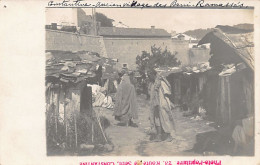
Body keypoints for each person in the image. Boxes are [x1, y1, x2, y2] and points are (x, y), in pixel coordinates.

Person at [148, 69, 175, 142]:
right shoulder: (152, 84)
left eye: (149, 75)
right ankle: (159, 136)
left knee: (165, 119)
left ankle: (169, 136)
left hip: (162, 103)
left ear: (153, 75)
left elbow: (168, 93)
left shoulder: (161, 83)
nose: (148, 77)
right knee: (157, 120)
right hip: (155, 104)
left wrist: (168, 102)